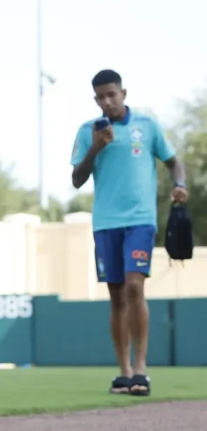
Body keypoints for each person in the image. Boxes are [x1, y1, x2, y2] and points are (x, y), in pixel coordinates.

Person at [71, 69, 188, 397]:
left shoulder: (147, 126)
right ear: (95, 99)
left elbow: (173, 161)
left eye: (113, 94)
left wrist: (179, 185)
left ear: (124, 93)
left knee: (135, 287)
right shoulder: (87, 131)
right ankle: (123, 372)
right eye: (101, 97)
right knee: (117, 296)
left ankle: (141, 368)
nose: (108, 101)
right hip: (106, 223)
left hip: (140, 220)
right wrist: (96, 147)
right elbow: (77, 179)